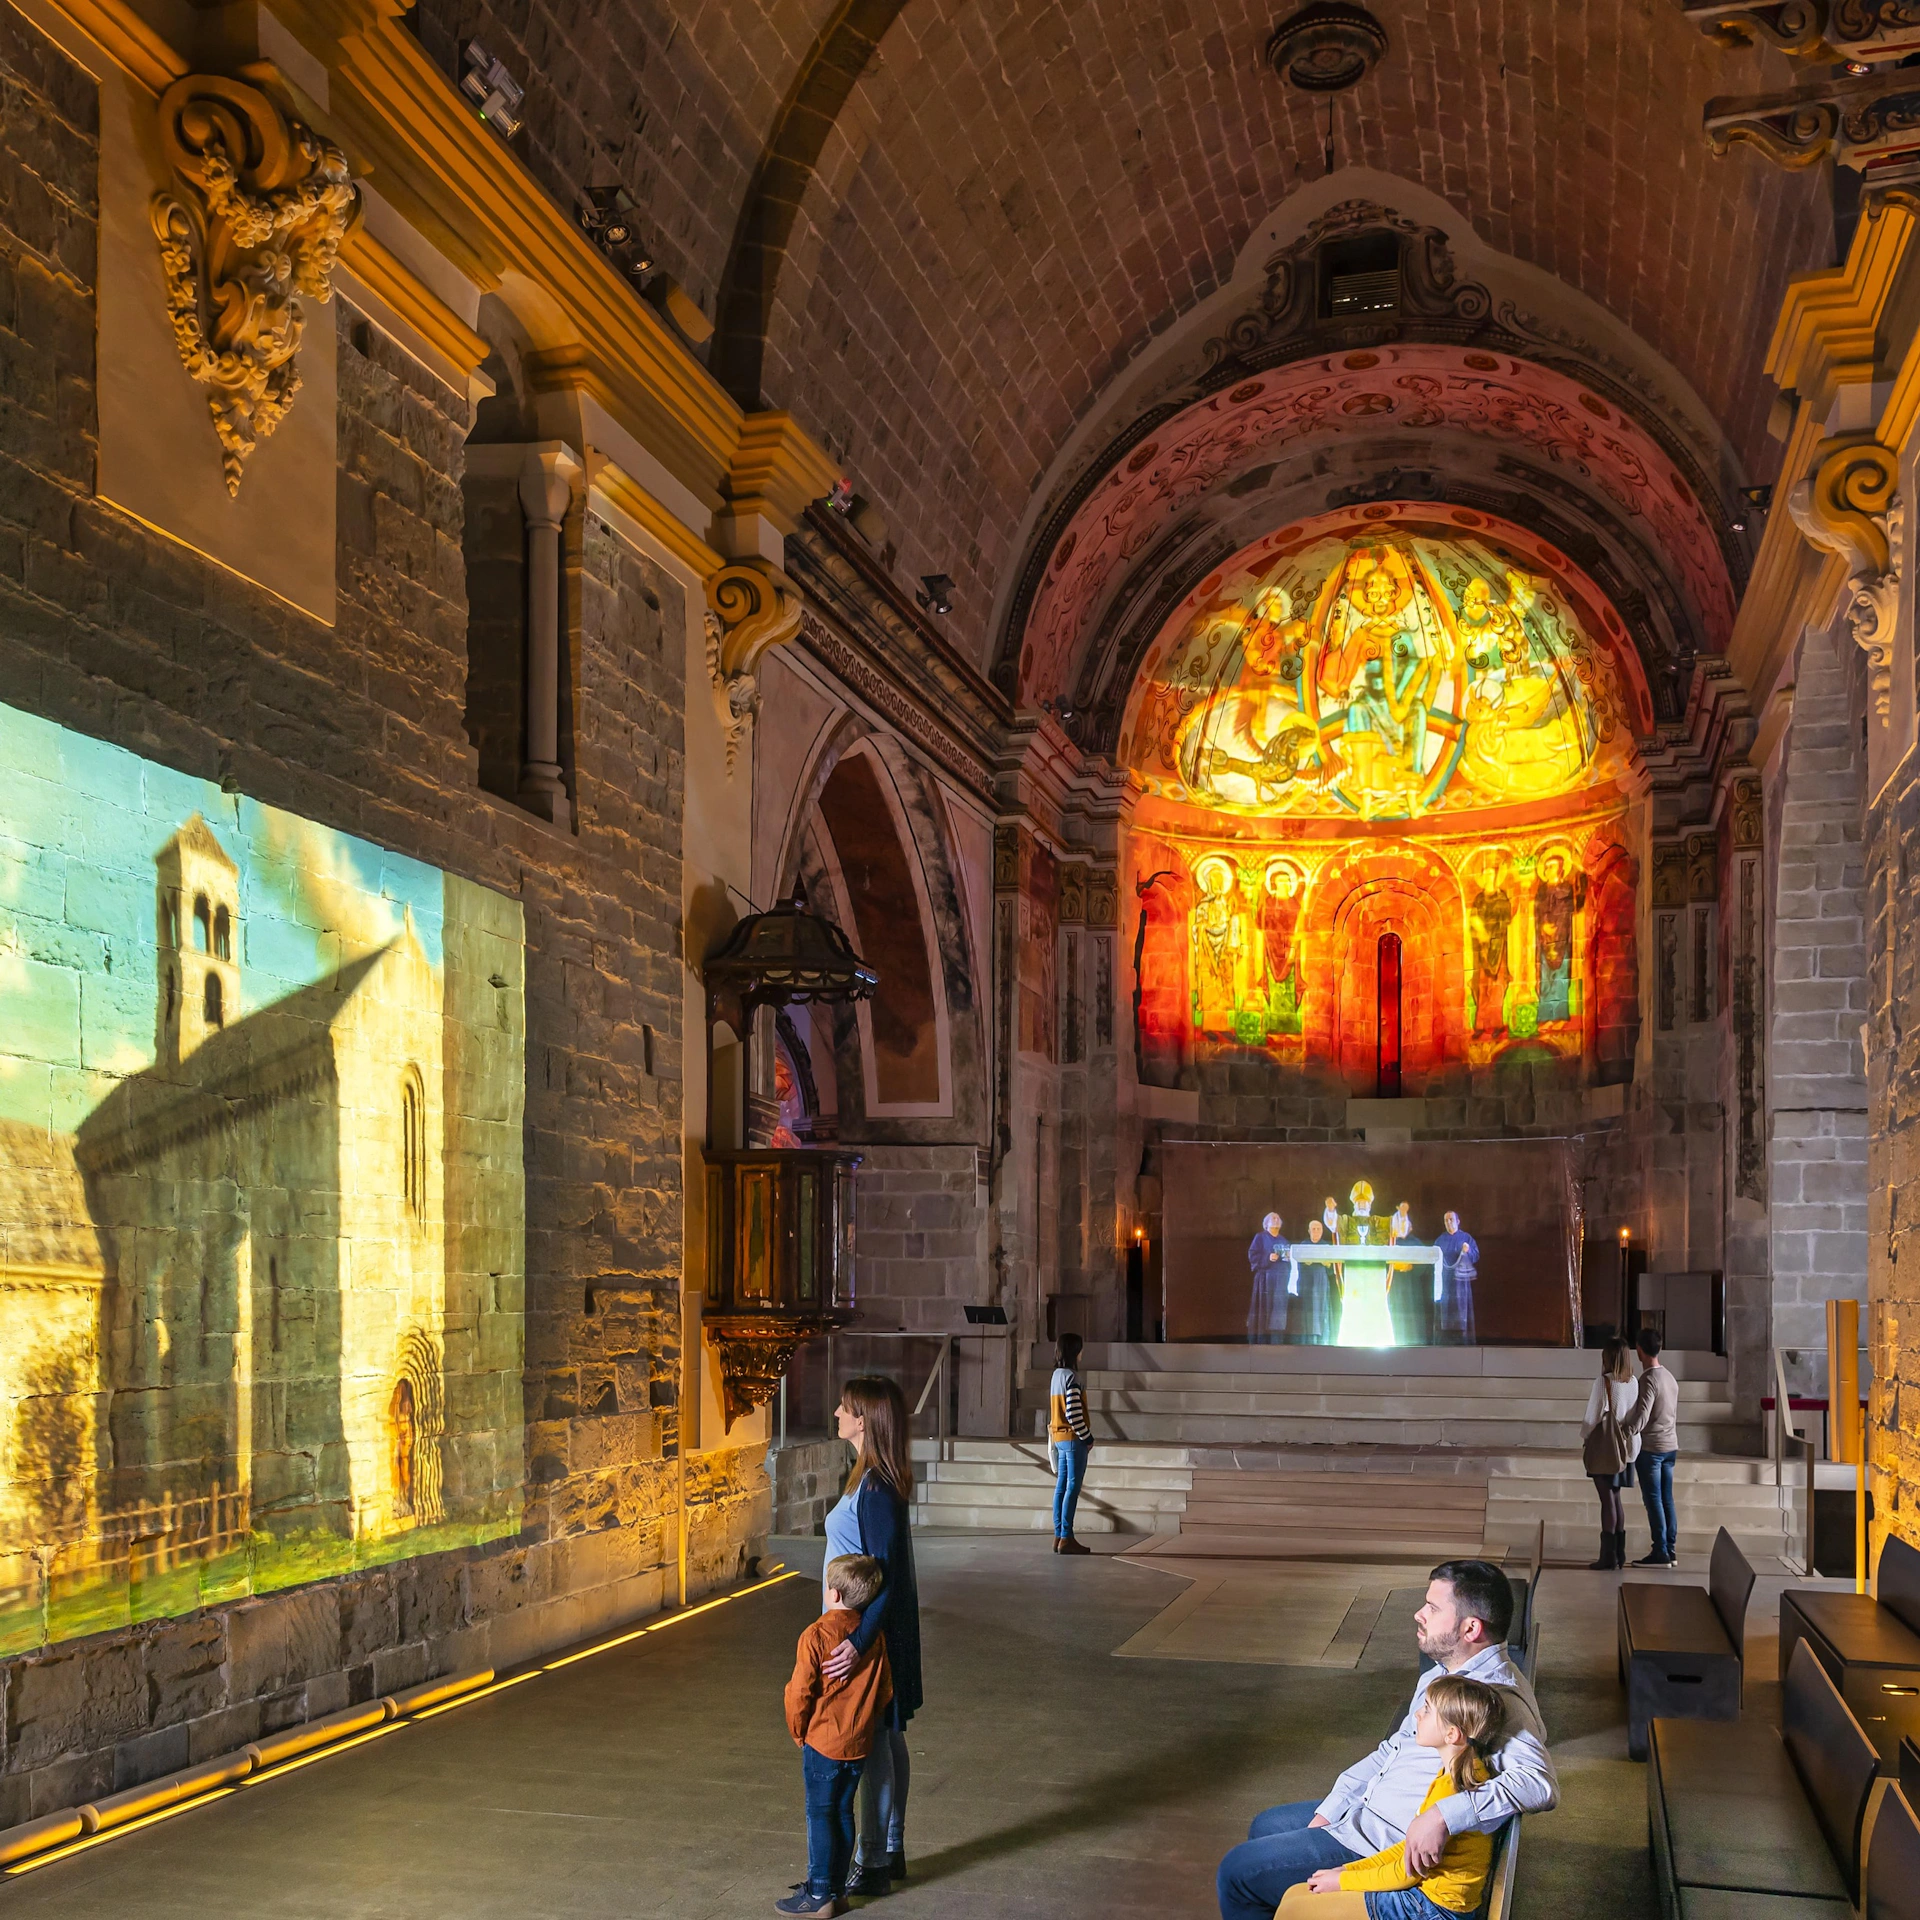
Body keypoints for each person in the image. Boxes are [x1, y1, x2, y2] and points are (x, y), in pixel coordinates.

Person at [1215, 1560, 1556, 1920]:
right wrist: (1334, 1806)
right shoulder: (1443, 1675)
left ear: (1471, 1628)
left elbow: (1539, 1783)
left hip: (1390, 1844)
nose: (1418, 1614)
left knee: (1238, 1873)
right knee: (1267, 1825)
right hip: (1371, 1809)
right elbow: (1392, 1750)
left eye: (1433, 1608)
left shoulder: (1496, 1697)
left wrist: (1442, 1815)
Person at [1279, 1675, 1507, 1918]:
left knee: (1295, 1909)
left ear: (1451, 1734)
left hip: (1434, 1909)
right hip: (1425, 1899)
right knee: (1294, 1894)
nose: (1418, 1714)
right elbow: (1406, 1849)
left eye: (1428, 1710)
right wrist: (1346, 1869)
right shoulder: (1451, 1775)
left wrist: (1343, 1881)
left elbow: (1407, 1872)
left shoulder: (1452, 1788)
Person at [820, 1377, 922, 1894]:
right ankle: (891, 1848)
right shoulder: (871, 1477)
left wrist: (856, 1644)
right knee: (889, 1738)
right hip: (868, 1632)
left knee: (875, 1743)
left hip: (867, 1635)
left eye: (846, 1407)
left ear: (864, 1420)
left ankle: (874, 1861)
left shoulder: (876, 1487)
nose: (837, 1411)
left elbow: (885, 1578)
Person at [779, 1554, 892, 1916]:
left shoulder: (815, 1635)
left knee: (819, 1814)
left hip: (823, 1742)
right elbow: (885, 1690)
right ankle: (839, 1890)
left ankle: (819, 1894)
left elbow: (800, 1692)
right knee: (843, 1812)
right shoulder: (872, 1637)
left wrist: (799, 1732)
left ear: (833, 1594)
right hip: (858, 1742)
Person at [1580, 1338, 1640, 1570]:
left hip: (1607, 1450)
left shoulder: (1604, 1383)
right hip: (1627, 1449)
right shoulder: (1633, 1382)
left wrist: (1585, 1437)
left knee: (1607, 1501)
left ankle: (1607, 1558)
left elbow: (1592, 1417)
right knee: (1615, 1499)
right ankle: (1619, 1554)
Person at [1623, 1329, 1679, 1566]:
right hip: (1670, 1446)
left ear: (1639, 1350)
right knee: (1667, 1499)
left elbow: (1642, 1415)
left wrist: (1624, 1432)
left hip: (1653, 1448)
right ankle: (1670, 1549)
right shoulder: (1669, 1376)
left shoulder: (1649, 1379)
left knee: (1654, 1499)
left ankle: (1660, 1551)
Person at [1048, 1333, 1095, 1554]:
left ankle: (1058, 1535)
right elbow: (1074, 1413)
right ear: (1076, 1351)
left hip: (1058, 1437)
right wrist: (1087, 1437)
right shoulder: (1073, 1377)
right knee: (1072, 1488)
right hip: (1073, 1438)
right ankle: (1067, 1537)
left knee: (1061, 1486)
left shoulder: (1056, 1375)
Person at [1431, 1212, 1478, 1346]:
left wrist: (1467, 1250)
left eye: (1451, 1219)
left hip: (1461, 1284)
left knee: (1461, 1313)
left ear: (1458, 1221)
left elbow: (1476, 1256)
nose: (1448, 1222)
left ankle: (1463, 1341)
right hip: (1444, 1283)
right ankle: (1444, 1342)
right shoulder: (1440, 1240)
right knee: (1444, 1313)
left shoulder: (1466, 1238)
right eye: (1446, 1220)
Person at [1248, 1211, 1291, 1344]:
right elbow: (1252, 1256)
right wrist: (1268, 1258)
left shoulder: (1284, 1240)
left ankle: (1276, 1343)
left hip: (1280, 1283)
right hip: (1265, 1281)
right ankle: (1262, 1343)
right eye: (1273, 1218)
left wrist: (1289, 1258)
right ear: (1266, 1223)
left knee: (1278, 1313)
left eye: (1278, 1217)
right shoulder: (1260, 1237)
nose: (1276, 1219)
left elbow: (1290, 1262)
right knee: (1264, 1312)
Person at [1296, 1220, 1336, 1346]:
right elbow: (1300, 1263)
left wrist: (1326, 1263)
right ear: (1309, 1231)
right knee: (1308, 1312)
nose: (1316, 1231)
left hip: (1321, 1282)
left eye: (1319, 1229)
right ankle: (1308, 1342)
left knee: (1321, 1309)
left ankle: (1322, 1341)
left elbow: (1331, 1269)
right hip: (1307, 1283)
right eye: (1313, 1229)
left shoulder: (1326, 1246)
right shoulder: (1304, 1245)